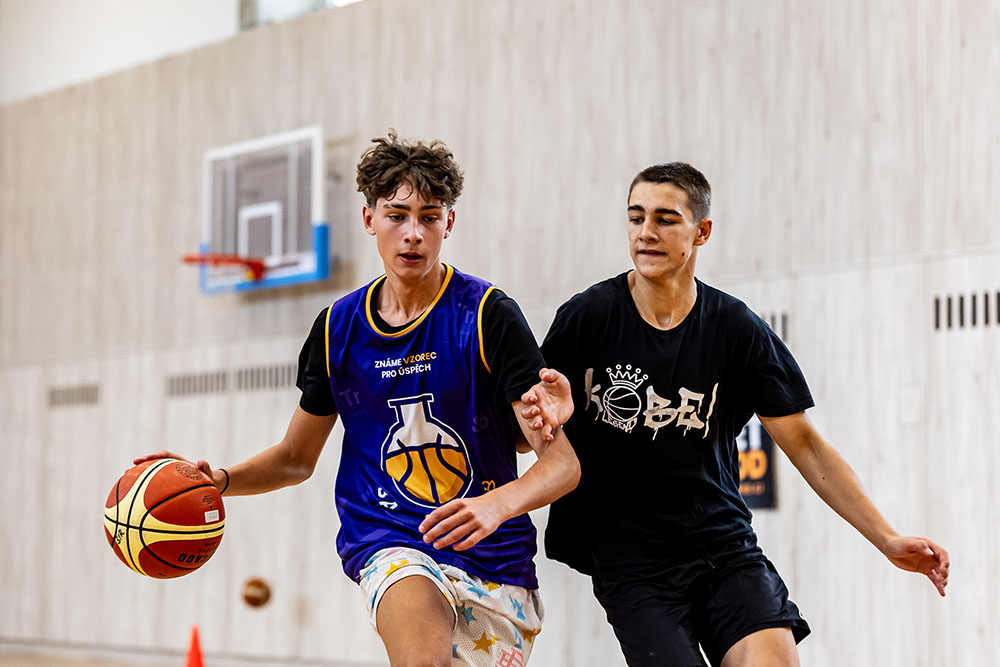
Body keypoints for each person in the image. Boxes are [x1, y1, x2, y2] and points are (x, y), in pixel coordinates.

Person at [137, 131, 579, 667]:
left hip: (496, 560)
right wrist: (219, 482)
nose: (413, 233)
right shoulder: (337, 330)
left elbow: (561, 466)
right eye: (397, 215)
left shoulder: (487, 314)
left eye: (429, 216)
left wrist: (495, 505)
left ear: (449, 223)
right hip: (392, 540)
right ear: (369, 219)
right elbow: (296, 458)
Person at [521, 162, 949, 667]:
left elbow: (806, 446)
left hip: (723, 548)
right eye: (636, 218)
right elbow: (527, 439)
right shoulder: (588, 318)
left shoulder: (736, 330)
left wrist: (887, 537)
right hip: (634, 566)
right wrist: (545, 418)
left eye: (665, 219)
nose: (646, 233)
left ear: (701, 231)